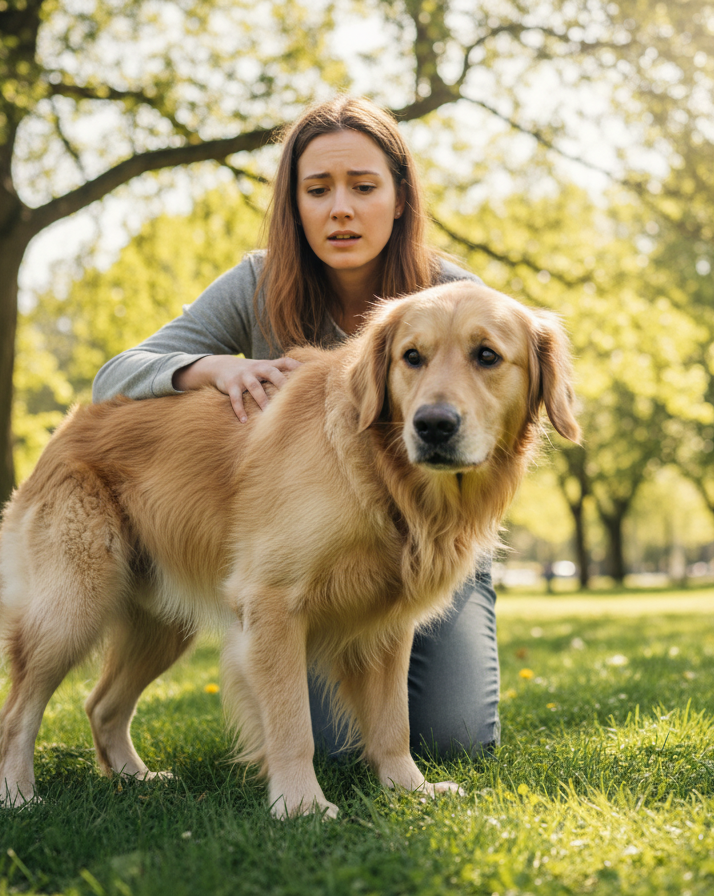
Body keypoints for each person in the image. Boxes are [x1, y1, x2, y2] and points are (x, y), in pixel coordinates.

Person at [92, 95, 499, 759]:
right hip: (313, 558)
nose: (341, 208)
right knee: (332, 747)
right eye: (318, 189)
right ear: (295, 204)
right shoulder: (257, 283)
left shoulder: (450, 293)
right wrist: (211, 367)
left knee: (453, 742)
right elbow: (115, 376)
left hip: (433, 545)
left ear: (400, 199)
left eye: (363, 187)